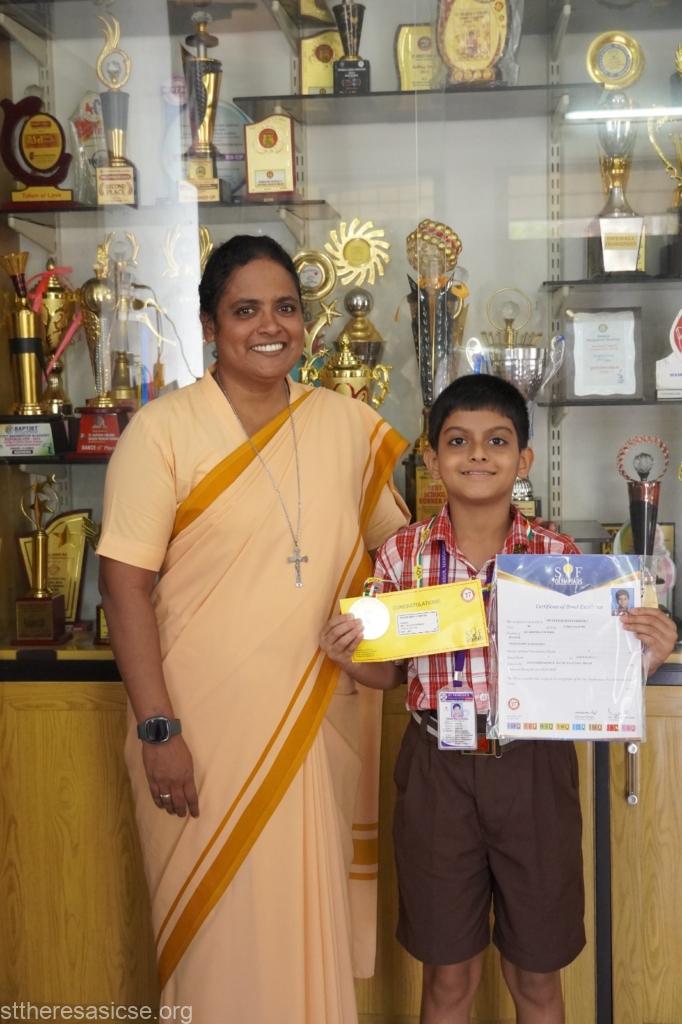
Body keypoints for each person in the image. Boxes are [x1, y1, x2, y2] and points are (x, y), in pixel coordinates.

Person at [97, 234, 410, 1024]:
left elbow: (405, 560)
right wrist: (159, 729)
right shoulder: (161, 432)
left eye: (285, 308)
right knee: (215, 949)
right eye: (245, 310)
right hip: (198, 736)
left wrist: (384, 635)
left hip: (314, 727)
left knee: (301, 937)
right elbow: (124, 586)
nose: (270, 326)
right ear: (210, 326)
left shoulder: (346, 426)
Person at [320, 373, 677, 1024]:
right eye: (458, 441)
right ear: (433, 460)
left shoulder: (557, 555)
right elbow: (391, 675)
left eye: (497, 441)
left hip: (533, 768)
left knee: (536, 977)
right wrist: (350, 655)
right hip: (436, 770)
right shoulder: (402, 555)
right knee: (447, 977)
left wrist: (643, 654)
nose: (478, 454)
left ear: (524, 459)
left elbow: (592, 674)